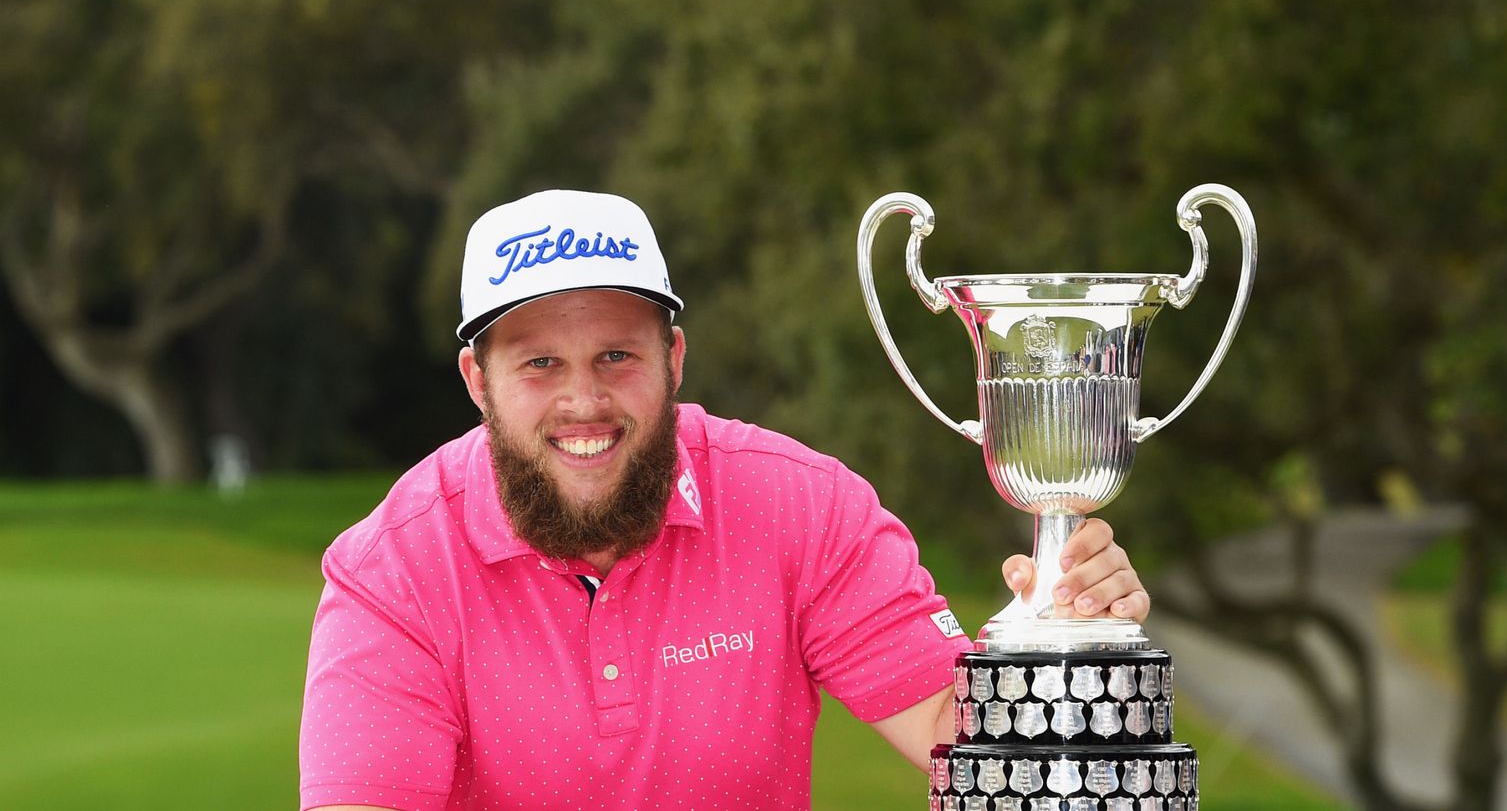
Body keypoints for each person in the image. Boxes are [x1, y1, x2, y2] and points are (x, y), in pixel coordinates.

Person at [298, 190, 1149, 811]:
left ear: (673, 358)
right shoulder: (393, 570)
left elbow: (956, 740)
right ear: (476, 381)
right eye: (539, 363)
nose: (583, 401)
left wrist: (1067, 650)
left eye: (616, 357)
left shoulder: (799, 505)